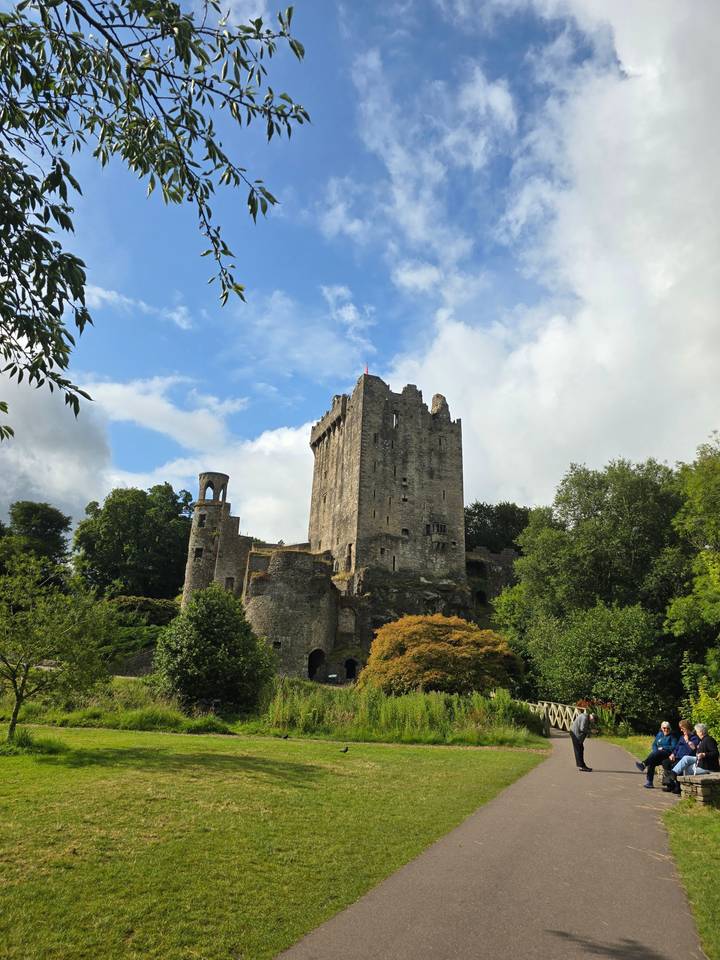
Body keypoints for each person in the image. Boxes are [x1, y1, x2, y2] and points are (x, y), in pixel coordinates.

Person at [666, 723, 719, 795]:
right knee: (686, 758)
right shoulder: (702, 740)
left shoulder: (709, 740)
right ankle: (673, 774)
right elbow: (697, 751)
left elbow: (716, 753)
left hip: (707, 766)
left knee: (686, 769)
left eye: (697, 731)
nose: (696, 733)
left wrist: (704, 754)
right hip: (702, 761)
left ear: (701, 732)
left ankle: (684, 790)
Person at [634, 721, 677, 789]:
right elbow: (654, 744)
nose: (666, 730)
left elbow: (674, 747)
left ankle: (644, 764)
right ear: (661, 728)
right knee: (651, 762)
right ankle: (649, 782)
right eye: (664, 728)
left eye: (668, 728)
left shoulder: (672, 736)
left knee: (658, 753)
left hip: (667, 754)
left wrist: (663, 748)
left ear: (670, 728)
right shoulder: (659, 734)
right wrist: (655, 751)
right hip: (658, 755)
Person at [660, 720, 698, 792]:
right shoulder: (681, 737)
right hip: (676, 757)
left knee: (675, 765)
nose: (681, 730)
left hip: (684, 758)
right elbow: (676, 748)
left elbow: (692, 750)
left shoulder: (694, 738)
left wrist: (687, 741)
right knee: (665, 762)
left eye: (682, 728)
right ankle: (670, 785)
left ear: (687, 728)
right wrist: (673, 754)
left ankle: (678, 787)